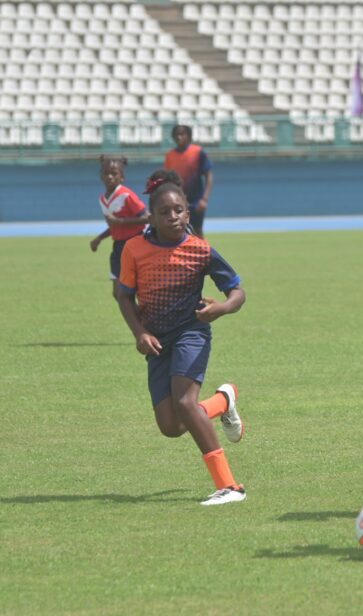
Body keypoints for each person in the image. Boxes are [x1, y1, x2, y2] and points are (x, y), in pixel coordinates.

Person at [116, 170, 247, 506]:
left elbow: (237, 291)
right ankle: (223, 401)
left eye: (178, 210)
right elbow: (123, 295)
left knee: (186, 403)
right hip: (157, 341)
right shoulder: (134, 249)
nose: (172, 216)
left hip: (192, 332)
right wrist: (140, 333)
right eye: (164, 212)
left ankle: (230, 487)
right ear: (152, 217)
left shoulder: (200, 250)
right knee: (171, 426)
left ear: (188, 214)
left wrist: (223, 308)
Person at [89, 156, 148, 299]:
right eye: (106, 173)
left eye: (114, 173)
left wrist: (120, 221)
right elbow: (114, 226)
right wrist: (99, 239)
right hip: (118, 246)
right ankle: (137, 319)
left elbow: (147, 217)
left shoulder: (126, 195)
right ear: (101, 176)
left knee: (136, 291)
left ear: (122, 177)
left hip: (135, 243)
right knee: (118, 294)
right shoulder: (103, 200)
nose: (110, 176)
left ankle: (143, 319)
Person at [163, 125, 214, 238]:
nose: (179, 137)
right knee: (179, 231)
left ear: (189, 136)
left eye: (182, 134)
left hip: (196, 201)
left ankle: (203, 254)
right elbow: (167, 180)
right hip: (178, 200)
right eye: (176, 134)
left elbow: (208, 176)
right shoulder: (170, 155)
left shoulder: (198, 152)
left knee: (197, 230)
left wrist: (204, 199)